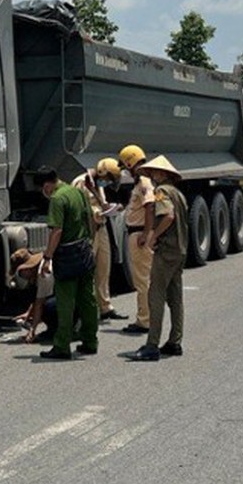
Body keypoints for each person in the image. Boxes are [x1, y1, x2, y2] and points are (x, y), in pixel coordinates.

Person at [34, 166, 100, 360]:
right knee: (88, 299)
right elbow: (92, 220)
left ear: (47, 185)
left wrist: (47, 257)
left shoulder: (57, 199)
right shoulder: (78, 192)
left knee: (65, 302)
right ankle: (90, 341)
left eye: (42, 189)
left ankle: (62, 346)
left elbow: (57, 231)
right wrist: (90, 243)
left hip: (67, 255)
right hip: (84, 250)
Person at [127, 156, 188, 361]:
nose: (151, 177)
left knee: (156, 296)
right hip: (180, 250)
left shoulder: (161, 192)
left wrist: (153, 235)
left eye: (154, 173)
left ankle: (152, 344)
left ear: (162, 174)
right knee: (176, 298)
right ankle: (175, 341)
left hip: (167, 250)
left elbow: (168, 216)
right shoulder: (178, 193)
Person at [71, 158, 127, 322]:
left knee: (103, 268)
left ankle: (105, 307)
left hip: (101, 228)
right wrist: (96, 212)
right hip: (88, 230)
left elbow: (100, 204)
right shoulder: (81, 183)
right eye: (108, 179)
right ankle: (86, 309)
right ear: (103, 173)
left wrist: (110, 208)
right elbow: (77, 208)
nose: (107, 183)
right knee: (87, 271)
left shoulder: (97, 185)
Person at [118, 144, 155, 335]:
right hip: (137, 233)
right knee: (142, 279)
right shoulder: (141, 182)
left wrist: (145, 233)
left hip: (139, 234)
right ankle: (145, 317)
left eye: (126, 167)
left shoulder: (144, 182)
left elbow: (150, 207)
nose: (126, 171)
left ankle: (145, 321)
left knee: (142, 280)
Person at [10, 248, 55, 343]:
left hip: (70, 301)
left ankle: (59, 330)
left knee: (48, 307)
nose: (21, 276)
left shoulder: (42, 273)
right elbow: (38, 298)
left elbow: (40, 303)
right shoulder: (37, 272)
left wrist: (32, 331)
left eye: (20, 273)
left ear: (27, 268)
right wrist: (29, 313)